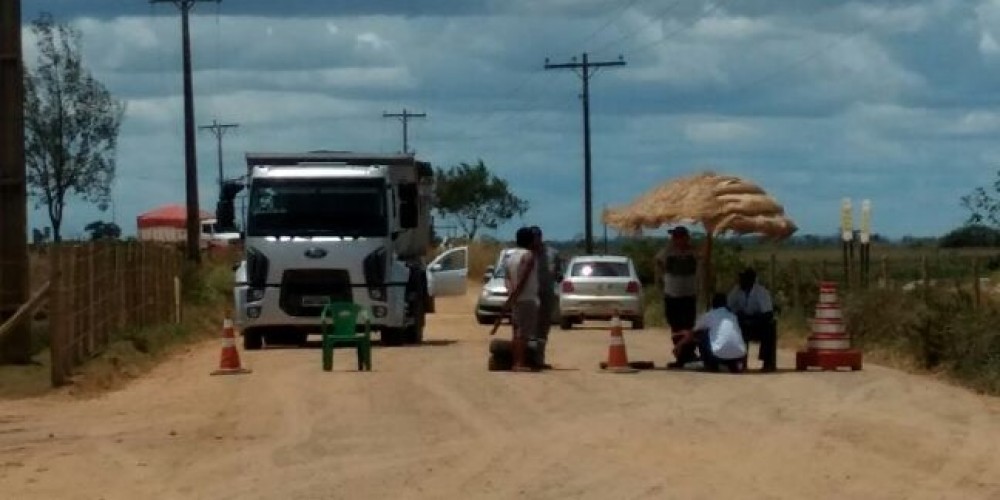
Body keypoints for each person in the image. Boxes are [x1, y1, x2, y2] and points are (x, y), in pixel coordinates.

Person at [654, 225, 699, 368]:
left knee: (688, 326)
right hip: (672, 295)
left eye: (678, 237)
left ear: (685, 238)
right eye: (674, 237)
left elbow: (702, 258)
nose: (675, 239)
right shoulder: (668, 251)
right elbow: (658, 261)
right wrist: (663, 278)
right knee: (676, 326)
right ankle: (681, 356)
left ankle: (689, 355)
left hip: (688, 295)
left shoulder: (692, 251)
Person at [672, 293, 747, 373]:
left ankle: (709, 363)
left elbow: (692, 333)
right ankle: (731, 365)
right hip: (739, 355)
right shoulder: (733, 316)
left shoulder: (709, 315)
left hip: (718, 355)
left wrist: (678, 345)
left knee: (703, 334)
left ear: (713, 304)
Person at [502, 227, 540, 372]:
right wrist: (516, 293)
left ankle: (516, 362)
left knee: (517, 330)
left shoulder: (510, 256)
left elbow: (507, 278)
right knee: (523, 333)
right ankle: (519, 363)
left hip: (517, 298)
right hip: (526, 298)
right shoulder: (528, 256)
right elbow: (523, 277)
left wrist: (511, 294)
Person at [727, 268, 777, 373]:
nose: (741, 281)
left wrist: (752, 319)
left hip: (759, 324)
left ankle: (768, 363)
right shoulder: (737, 290)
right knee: (734, 327)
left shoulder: (761, 292)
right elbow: (728, 307)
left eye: (744, 278)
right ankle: (740, 362)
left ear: (752, 280)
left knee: (770, 327)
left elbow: (768, 314)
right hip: (743, 323)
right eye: (740, 278)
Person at [530, 226, 557, 369]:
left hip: (547, 294)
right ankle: (528, 358)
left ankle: (539, 359)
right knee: (530, 328)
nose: (535, 239)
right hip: (530, 295)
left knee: (543, 328)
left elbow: (558, 274)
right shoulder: (526, 254)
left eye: (537, 236)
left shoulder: (552, 253)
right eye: (533, 237)